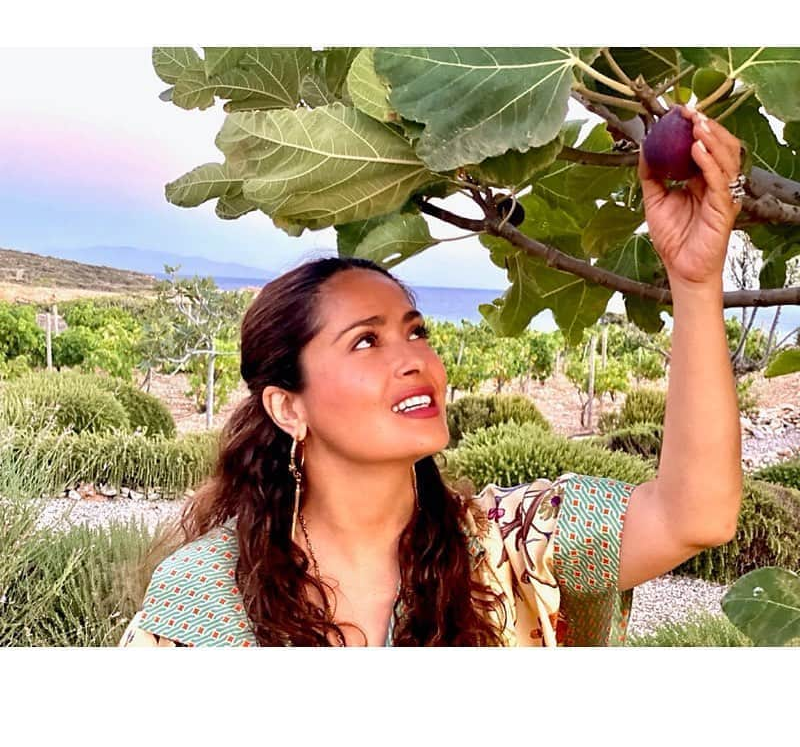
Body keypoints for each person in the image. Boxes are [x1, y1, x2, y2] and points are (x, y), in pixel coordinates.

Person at [119, 107, 744, 647]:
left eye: (416, 332)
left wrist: (693, 282)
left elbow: (696, 516)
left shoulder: (510, 547)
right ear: (288, 407)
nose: (415, 358)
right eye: (365, 341)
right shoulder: (203, 603)